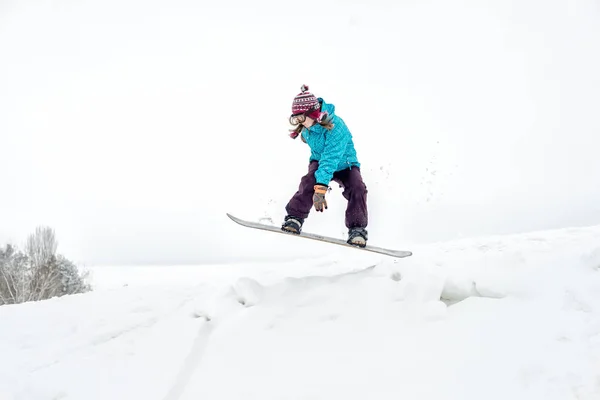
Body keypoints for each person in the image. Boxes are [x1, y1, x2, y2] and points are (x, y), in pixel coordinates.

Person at [281, 84, 369, 247]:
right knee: (309, 182)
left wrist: (321, 187)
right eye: (296, 119)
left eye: (301, 118)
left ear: (313, 113)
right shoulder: (308, 127)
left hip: (345, 164)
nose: (299, 122)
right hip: (321, 162)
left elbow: (331, 158)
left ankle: (357, 229)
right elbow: (321, 157)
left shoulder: (336, 127)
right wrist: (317, 182)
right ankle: (295, 217)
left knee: (357, 188)